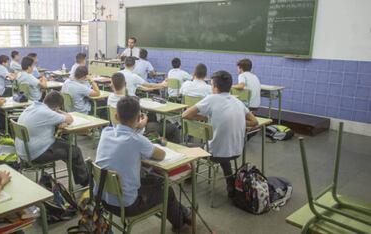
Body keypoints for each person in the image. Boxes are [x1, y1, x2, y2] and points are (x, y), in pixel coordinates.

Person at [95, 97, 191, 230]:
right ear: (139, 117)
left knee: (154, 181)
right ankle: (180, 223)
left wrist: (136, 128)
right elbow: (161, 155)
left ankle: (183, 213)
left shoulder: (106, 132)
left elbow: (126, 138)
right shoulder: (137, 140)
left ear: (116, 116)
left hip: (104, 199)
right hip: (127, 205)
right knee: (166, 189)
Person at [182, 70, 258, 198]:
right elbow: (254, 122)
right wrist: (236, 121)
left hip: (214, 154)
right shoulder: (238, 102)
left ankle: (189, 177)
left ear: (215, 87)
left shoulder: (212, 99)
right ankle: (230, 183)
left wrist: (206, 118)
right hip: (236, 151)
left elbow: (185, 115)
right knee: (222, 145)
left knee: (185, 146)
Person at [14, 91, 88, 186]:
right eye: (58, 108)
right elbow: (70, 119)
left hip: (23, 151)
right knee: (75, 151)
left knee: (65, 144)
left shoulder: (32, 107)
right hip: (35, 154)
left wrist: (57, 120)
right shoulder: (47, 113)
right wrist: (60, 112)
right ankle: (85, 182)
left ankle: (72, 165)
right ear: (56, 107)